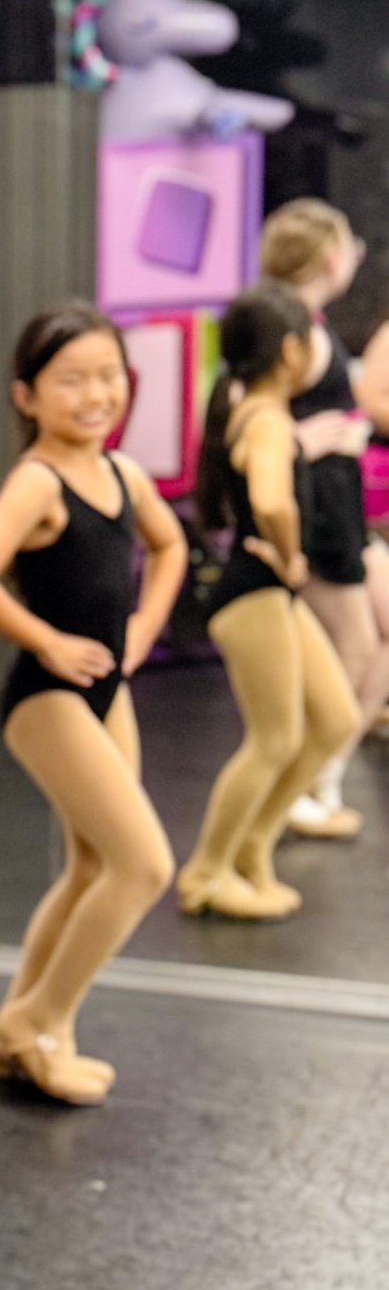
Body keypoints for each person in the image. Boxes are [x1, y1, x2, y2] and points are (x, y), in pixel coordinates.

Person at [0, 307, 183, 1102]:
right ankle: (34, 1020)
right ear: (27, 396)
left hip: (105, 691)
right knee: (142, 863)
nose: (96, 393)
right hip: (48, 698)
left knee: (89, 868)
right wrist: (45, 639)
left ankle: (27, 1031)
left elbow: (170, 543)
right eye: (71, 379)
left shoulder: (121, 474)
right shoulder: (36, 482)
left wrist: (145, 623)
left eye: (109, 375)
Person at [176, 289, 362, 918]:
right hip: (254, 592)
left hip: (268, 594)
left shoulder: (257, 411)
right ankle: (206, 872)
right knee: (274, 739)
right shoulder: (266, 420)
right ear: (290, 351)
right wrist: (292, 555)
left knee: (335, 719)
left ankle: (252, 846)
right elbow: (274, 500)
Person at [262, 199, 389, 832]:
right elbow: (253, 420)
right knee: (354, 647)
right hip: (319, 516)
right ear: (333, 258)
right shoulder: (294, 333)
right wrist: (327, 436)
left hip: (339, 513)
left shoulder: (305, 324)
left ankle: (325, 770)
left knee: (376, 639)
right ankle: (309, 776)